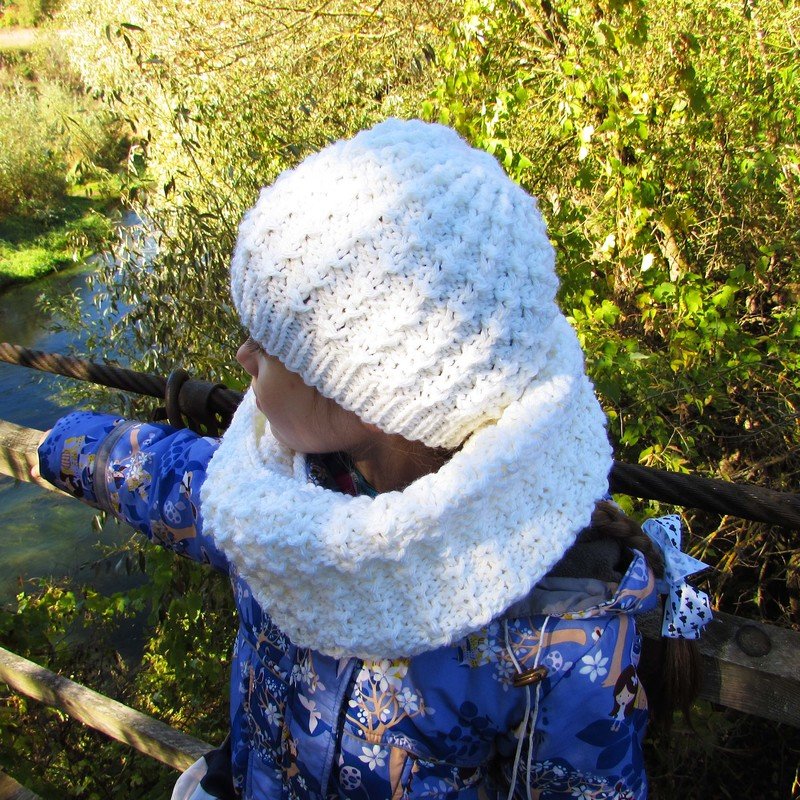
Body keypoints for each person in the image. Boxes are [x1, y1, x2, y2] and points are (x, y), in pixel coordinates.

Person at [37, 119, 710, 800]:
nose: (241, 357)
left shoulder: (560, 632)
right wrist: (68, 444)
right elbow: (176, 480)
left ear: (361, 393)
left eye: (267, 346)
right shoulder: (275, 493)